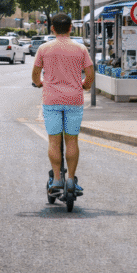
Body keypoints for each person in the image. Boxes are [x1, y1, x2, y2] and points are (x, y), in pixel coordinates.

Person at [31, 13, 95, 195]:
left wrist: (40, 83)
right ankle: (71, 180)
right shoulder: (81, 49)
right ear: (70, 28)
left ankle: (57, 180)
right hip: (74, 100)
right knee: (72, 139)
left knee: (54, 140)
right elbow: (90, 75)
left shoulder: (44, 48)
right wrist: (85, 85)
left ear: (52, 28)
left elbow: (35, 75)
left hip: (51, 100)